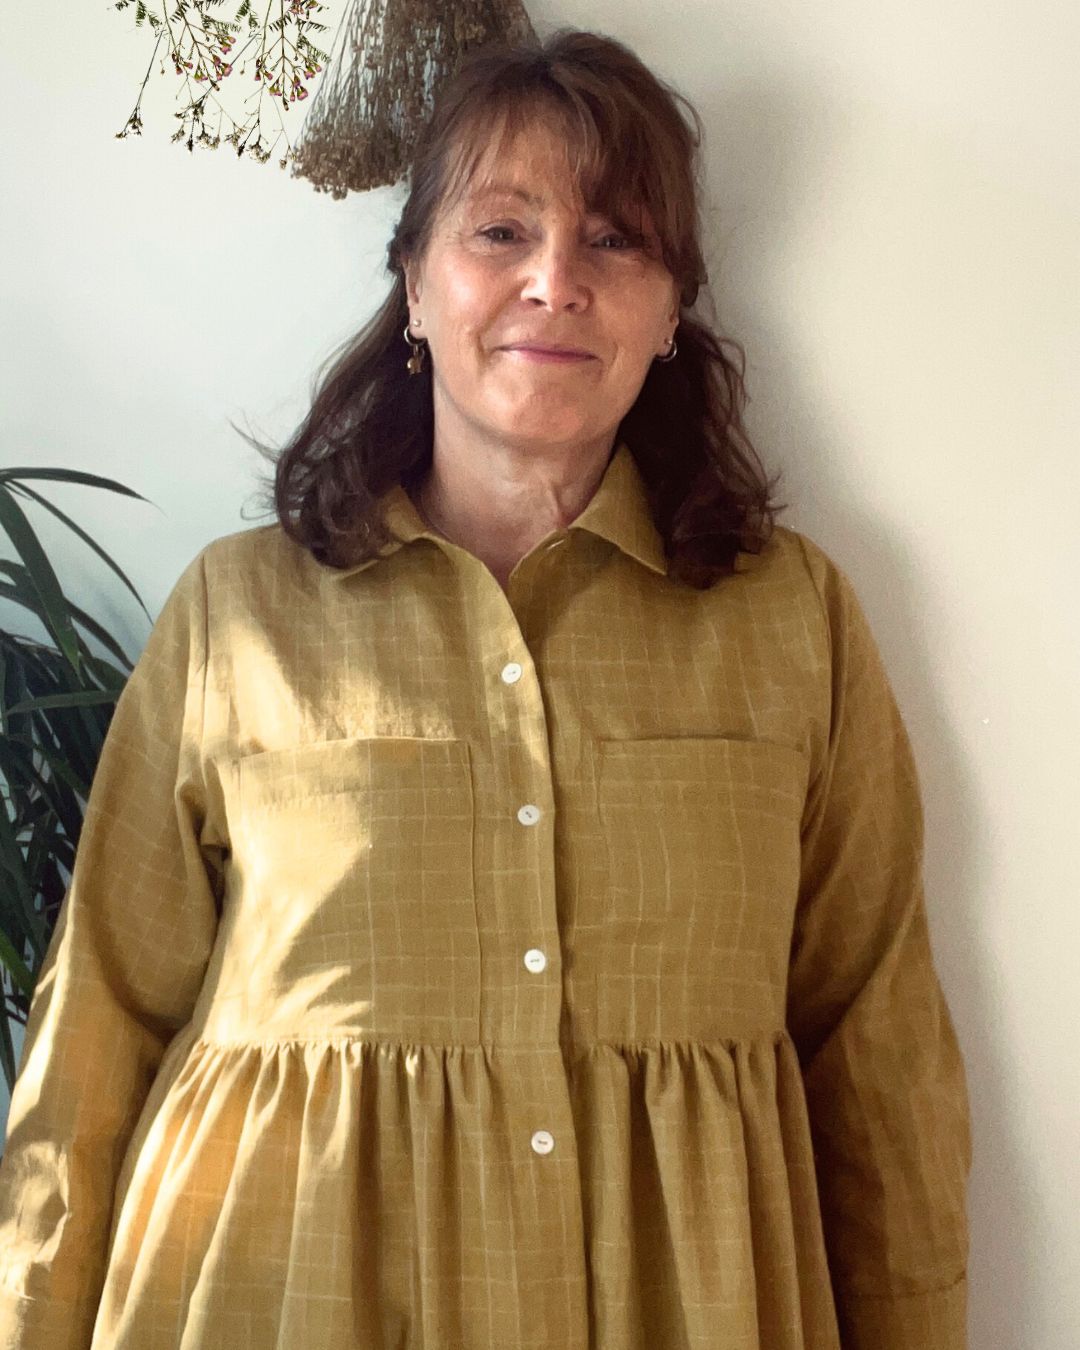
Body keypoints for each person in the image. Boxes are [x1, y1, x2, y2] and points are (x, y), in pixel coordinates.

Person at [0, 25, 972, 1350]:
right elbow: (102, 1016)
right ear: (414, 284)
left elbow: (876, 1033)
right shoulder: (240, 612)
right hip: (277, 1300)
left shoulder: (792, 620)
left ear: (670, 311)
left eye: (615, 240)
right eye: (501, 232)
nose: (555, 281)